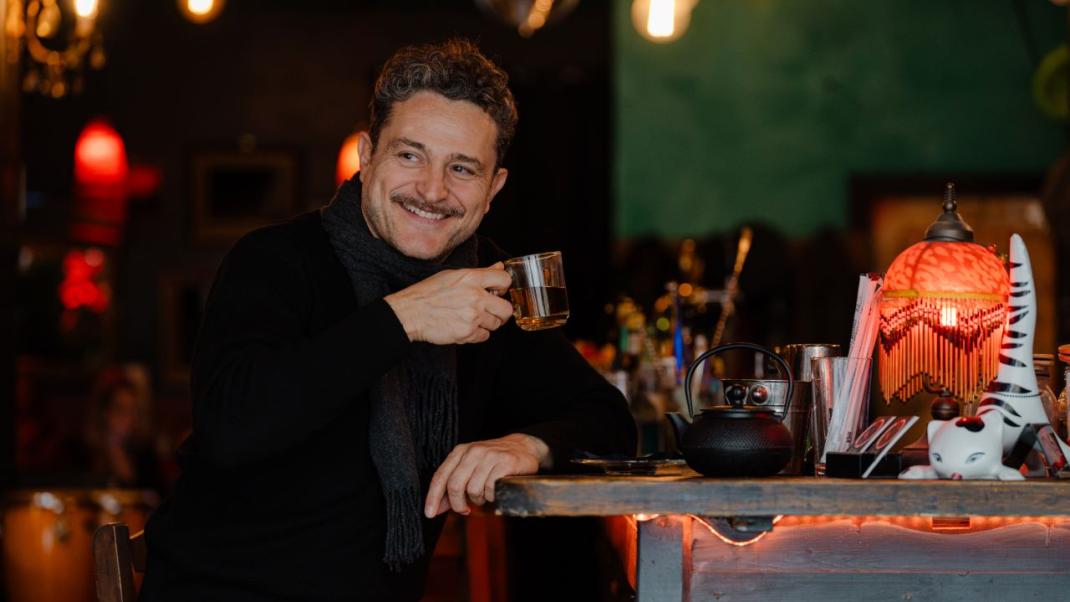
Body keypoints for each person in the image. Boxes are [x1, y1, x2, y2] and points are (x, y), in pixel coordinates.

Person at [139, 39, 636, 601]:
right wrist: (402, 319)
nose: (432, 190)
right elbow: (231, 428)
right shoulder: (273, 260)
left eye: (462, 168)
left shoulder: (490, 284)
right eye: (410, 156)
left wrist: (528, 446)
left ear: (493, 188)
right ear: (367, 154)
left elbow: (609, 421)